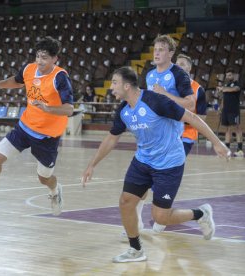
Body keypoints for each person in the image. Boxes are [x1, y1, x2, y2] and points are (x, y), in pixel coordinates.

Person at [82, 67, 230, 263]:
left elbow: (192, 118)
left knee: (160, 217)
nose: (111, 88)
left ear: (127, 85)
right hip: (143, 161)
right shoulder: (123, 110)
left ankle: (200, 213)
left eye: (115, 83)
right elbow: (112, 138)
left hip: (169, 163)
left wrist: (217, 143)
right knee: (126, 201)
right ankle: (136, 250)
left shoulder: (155, 101)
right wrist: (92, 164)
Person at [0, 36, 74, 216]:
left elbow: (69, 109)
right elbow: (17, 80)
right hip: (25, 127)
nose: (39, 61)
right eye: (37, 56)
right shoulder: (29, 68)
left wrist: (48, 108)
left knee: (44, 178)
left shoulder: (60, 78)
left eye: (44, 58)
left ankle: (55, 191)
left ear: (54, 59)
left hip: (47, 136)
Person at [128, 35, 196, 234]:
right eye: (155, 49)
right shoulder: (149, 75)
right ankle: (137, 223)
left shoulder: (179, 75)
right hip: (148, 138)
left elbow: (190, 104)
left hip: (169, 141)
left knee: (155, 186)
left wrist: (165, 94)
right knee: (139, 183)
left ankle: (164, 216)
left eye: (161, 50)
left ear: (171, 53)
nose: (156, 53)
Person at [217, 68, 243, 157]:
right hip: (226, 111)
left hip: (234, 110)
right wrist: (220, 108)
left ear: (234, 75)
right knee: (227, 129)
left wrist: (223, 89)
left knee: (237, 128)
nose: (228, 77)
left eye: (230, 75)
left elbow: (234, 89)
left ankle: (240, 150)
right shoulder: (226, 85)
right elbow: (224, 98)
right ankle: (227, 150)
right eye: (227, 75)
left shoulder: (236, 83)